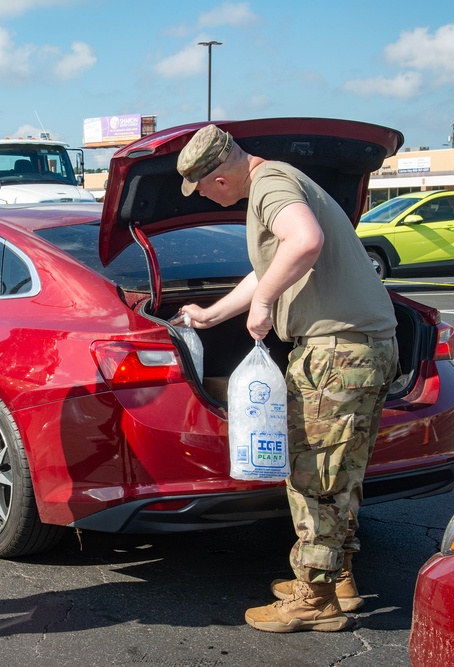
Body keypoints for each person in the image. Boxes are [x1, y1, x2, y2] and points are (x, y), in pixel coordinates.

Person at [176, 124, 398, 633]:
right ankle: (336, 577)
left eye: (203, 188)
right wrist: (213, 315)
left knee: (315, 474)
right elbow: (275, 263)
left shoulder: (270, 184)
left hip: (336, 353)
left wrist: (264, 302)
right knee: (340, 471)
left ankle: (314, 600)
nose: (207, 197)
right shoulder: (281, 180)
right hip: (361, 349)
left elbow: (305, 241)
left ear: (219, 177)